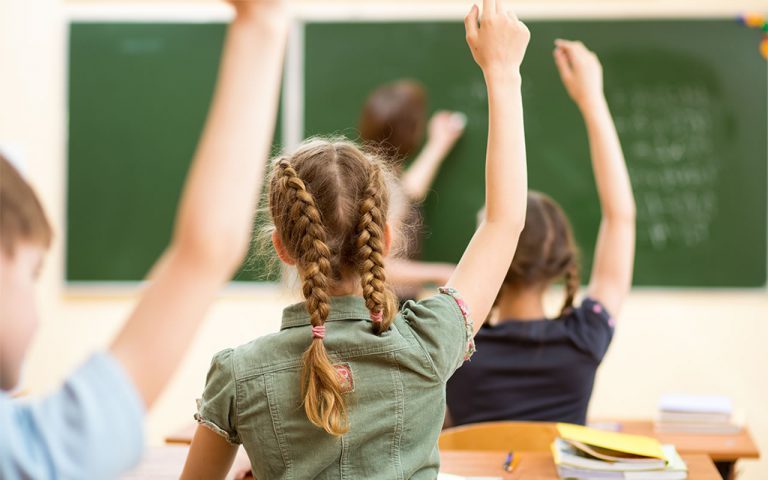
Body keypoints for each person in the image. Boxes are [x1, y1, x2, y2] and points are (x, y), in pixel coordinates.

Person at [181, 1, 530, 478]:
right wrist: (503, 72)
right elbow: (504, 222)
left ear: (282, 246)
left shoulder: (237, 374)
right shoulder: (430, 341)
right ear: (385, 240)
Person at [0, 0, 288, 477]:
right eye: (31, 275)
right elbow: (204, 250)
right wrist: (262, 23)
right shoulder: (21, 450)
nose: (36, 307)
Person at [446, 39, 636, 427]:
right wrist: (592, 101)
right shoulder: (584, 339)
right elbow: (621, 219)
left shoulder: (452, 345)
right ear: (559, 260)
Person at [359, 80, 466, 297]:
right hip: (388, 309)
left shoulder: (371, 175)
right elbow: (377, 265)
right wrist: (441, 272)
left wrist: (438, 144)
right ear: (412, 131)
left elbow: (409, 192)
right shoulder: (386, 189)